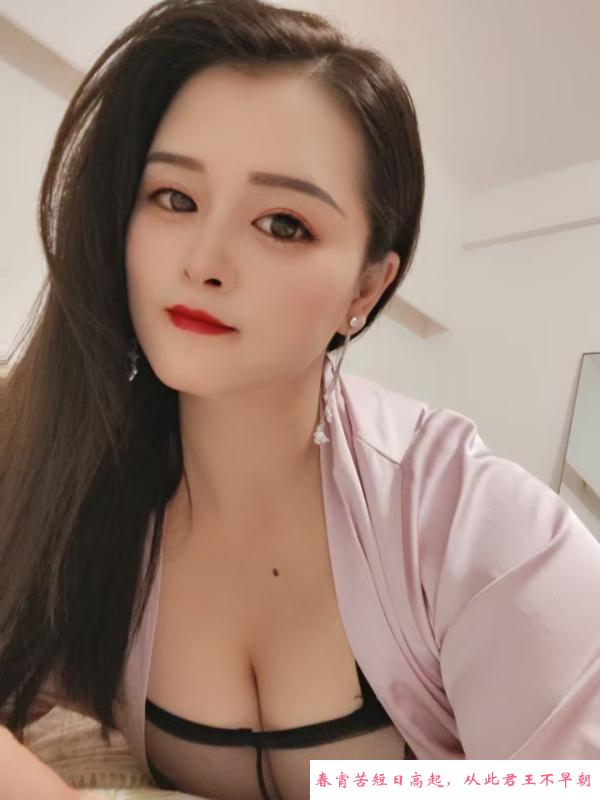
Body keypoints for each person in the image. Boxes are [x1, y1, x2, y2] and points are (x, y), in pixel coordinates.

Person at [1, 0, 599, 798]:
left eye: (282, 224)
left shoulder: (478, 527)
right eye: (174, 198)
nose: (204, 261)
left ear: (367, 287)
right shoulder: (79, 478)